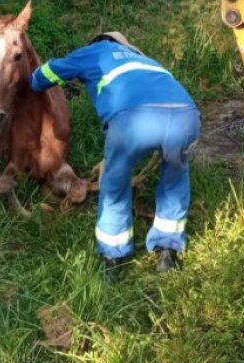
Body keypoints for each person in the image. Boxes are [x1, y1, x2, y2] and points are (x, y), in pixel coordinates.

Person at [30, 31, 200, 279]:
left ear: (99, 42)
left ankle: (114, 257)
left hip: (134, 121)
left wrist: (30, 80)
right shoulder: (146, 60)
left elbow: (49, 73)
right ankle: (167, 252)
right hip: (186, 117)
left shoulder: (94, 52)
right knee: (175, 175)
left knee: (115, 182)